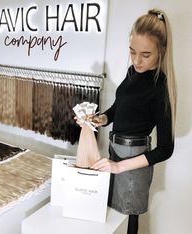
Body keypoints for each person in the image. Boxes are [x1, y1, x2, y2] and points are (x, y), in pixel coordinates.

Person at [75, 9, 177, 234]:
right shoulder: (133, 72)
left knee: (126, 219)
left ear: (162, 50)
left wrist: (120, 166)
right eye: (132, 52)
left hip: (132, 161)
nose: (137, 60)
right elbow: (118, 107)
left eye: (145, 54)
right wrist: (101, 119)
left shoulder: (160, 89)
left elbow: (166, 149)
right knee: (112, 217)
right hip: (116, 151)